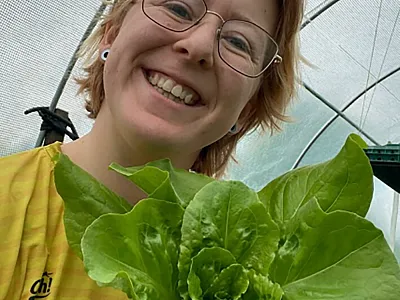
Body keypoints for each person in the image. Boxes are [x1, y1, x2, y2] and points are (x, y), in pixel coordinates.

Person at [0, 0, 304, 298]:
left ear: (246, 110)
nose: (198, 45)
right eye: (178, 8)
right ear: (112, 33)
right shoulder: (8, 201)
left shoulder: (253, 259)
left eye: (238, 42)